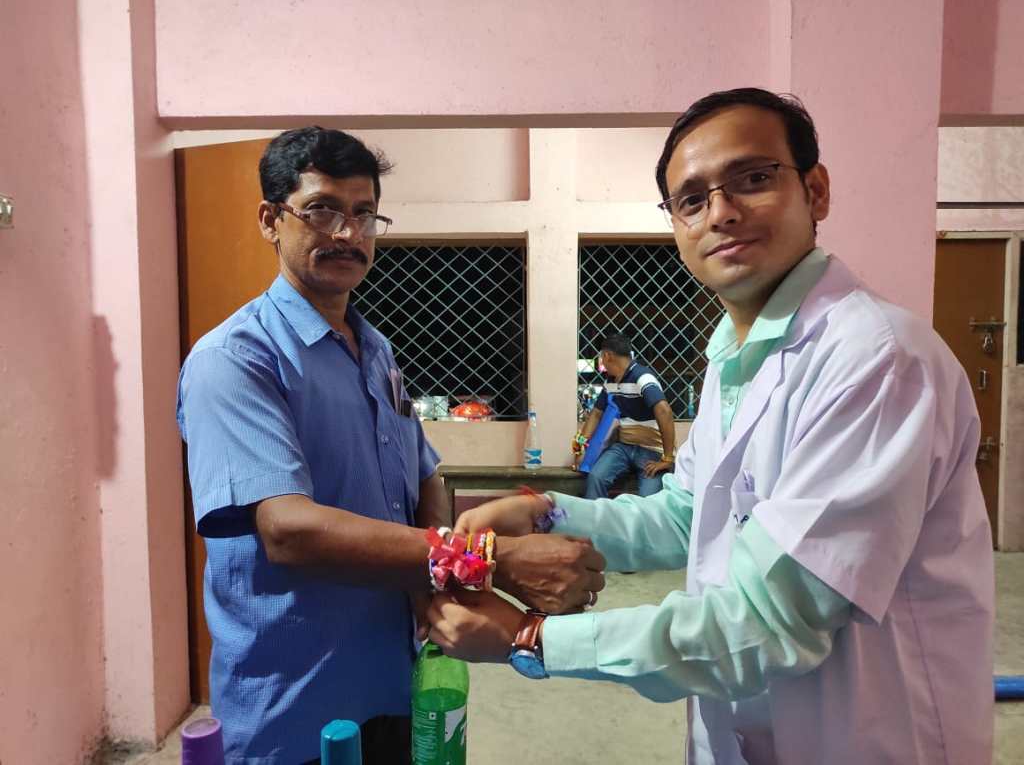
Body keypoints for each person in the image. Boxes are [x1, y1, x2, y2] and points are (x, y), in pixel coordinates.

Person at [425, 89, 995, 764]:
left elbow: (772, 624)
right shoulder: (735, 356)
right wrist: (550, 511)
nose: (720, 212)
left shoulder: (875, 360)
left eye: (752, 179)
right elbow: (688, 515)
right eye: (692, 199)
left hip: (868, 740)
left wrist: (531, 637)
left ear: (815, 191)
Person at [176, 127, 604, 763]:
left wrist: (438, 587)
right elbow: (288, 529)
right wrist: (487, 559)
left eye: (363, 213)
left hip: (396, 675)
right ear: (271, 220)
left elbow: (424, 474)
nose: (348, 233)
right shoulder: (235, 359)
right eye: (321, 210)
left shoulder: (375, 351)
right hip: (295, 700)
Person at [574, 332, 676, 498]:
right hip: (624, 447)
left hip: (652, 451)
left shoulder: (642, 377)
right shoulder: (611, 382)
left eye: (601, 357)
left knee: (647, 500)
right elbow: (596, 414)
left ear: (607, 356)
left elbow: (664, 411)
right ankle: (596, 515)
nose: (602, 362)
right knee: (596, 478)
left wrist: (668, 458)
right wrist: (579, 449)